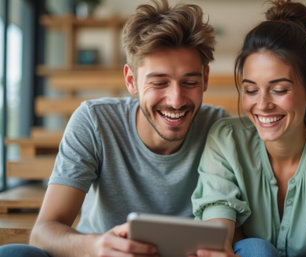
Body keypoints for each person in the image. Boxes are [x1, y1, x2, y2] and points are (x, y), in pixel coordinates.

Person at [0, 0, 227, 256]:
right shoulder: (95, 121)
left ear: (205, 79)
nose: (176, 100)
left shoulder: (220, 129)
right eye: (159, 83)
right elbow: (43, 232)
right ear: (131, 80)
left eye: (189, 82)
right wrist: (96, 245)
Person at [191, 0, 306, 256]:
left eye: (279, 90)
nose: (263, 104)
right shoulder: (227, 139)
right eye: (251, 90)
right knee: (255, 249)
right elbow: (218, 242)